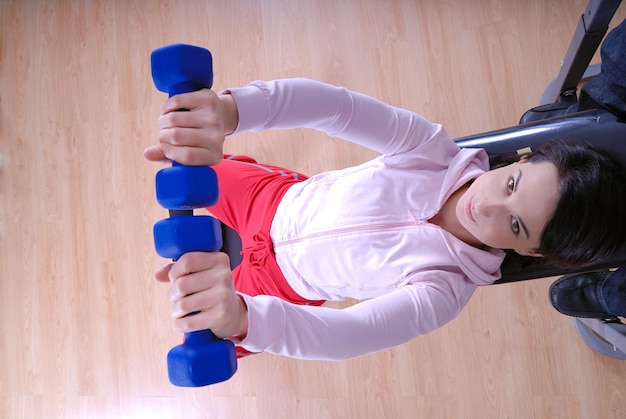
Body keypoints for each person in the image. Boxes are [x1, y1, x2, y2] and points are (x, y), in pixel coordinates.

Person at [144, 78, 626, 361]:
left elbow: (346, 335)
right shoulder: (429, 151)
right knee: (183, 153)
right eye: (512, 185)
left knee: (220, 332)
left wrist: (244, 317)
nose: (489, 205)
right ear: (518, 162)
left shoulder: (443, 290)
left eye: (516, 225)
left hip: (281, 286)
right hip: (271, 201)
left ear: (528, 252)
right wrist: (232, 110)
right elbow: (336, 108)